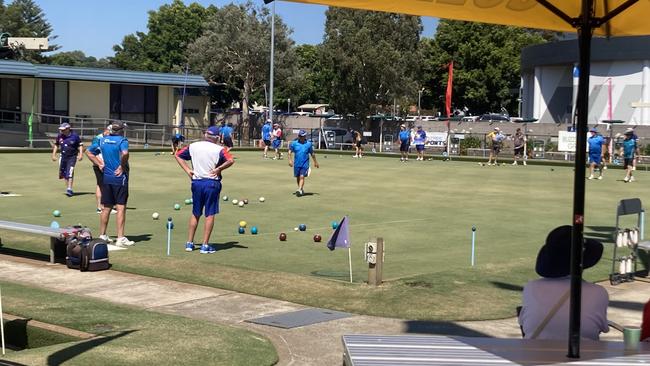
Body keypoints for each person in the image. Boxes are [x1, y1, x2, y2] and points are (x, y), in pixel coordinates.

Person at [518, 225, 608, 340]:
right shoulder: (598, 292)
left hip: (534, 356)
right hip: (584, 356)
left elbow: (524, 324)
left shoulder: (531, 288)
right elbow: (601, 328)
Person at [175, 126, 234, 254]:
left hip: (196, 182)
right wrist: (219, 169)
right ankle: (205, 245)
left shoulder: (194, 145)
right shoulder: (220, 149)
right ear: (218, 137)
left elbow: (178, 155)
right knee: (209, 214)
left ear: (206, 135)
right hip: (211, 183)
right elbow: (231, 160)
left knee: (195, 213)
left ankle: (189, 243)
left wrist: (187, 170)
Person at [86, 121, 135, 247]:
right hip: (120, 178)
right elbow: (125, 153)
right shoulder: (122, 141)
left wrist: (99, 163)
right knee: (121, 207)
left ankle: (102, 235)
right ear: (120, 130)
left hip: (106, 177)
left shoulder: (102, 140)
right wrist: (122, 166)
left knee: (106, 207)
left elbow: (89, 152)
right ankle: (120, 237)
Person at [89, 126, 116, 214]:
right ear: (106, 130)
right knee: (104, 185)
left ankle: (100, 207)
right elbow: (93, 152)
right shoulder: (98, 139)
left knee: (100, 185)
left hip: (103, 165)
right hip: (100, 165)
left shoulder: (107, 138)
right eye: (110, 132)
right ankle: (104, 207)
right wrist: (101, 164)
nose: (111, 134)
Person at [51, 122, 83, 197]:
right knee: (64, 173)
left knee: (70, 172)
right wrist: (53, 155)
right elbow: (56, 145)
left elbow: (80, 145)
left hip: (72, 157)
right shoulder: (60, 136)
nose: (61, 131)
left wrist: (80, 154)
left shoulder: (75, 136)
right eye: (61, 130)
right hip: (63, 157)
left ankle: (69, 189)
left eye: (63, 130)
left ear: (68, 129)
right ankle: (68, 188)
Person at [288, 129, 319, 197]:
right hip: (296, 164)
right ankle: (301, 189)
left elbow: (312, 153)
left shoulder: (308, 144)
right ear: (298, 136)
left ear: (305, 136)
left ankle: (299, 189)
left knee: (302, 176)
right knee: (298, 177)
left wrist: (315, 162)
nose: (302, 137)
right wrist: (290, 160)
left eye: (303, 136)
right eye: (300, 136)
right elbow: (289, 152)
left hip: (305, 164)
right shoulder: (294, 143)